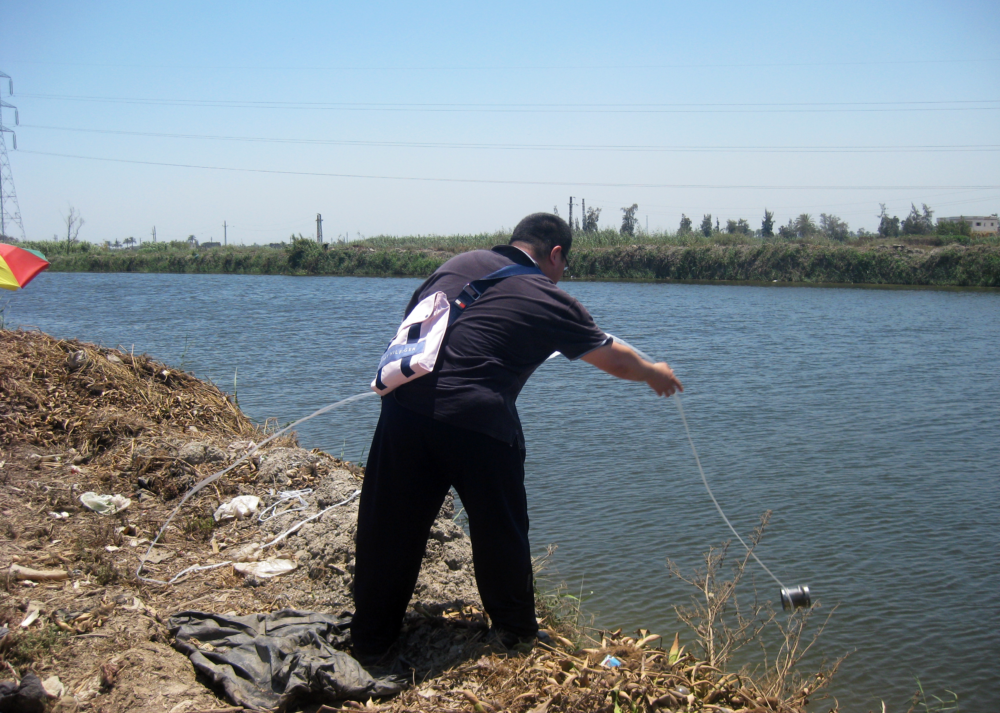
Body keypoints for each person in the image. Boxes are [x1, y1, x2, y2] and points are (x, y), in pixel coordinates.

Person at [351, 212, 682, 659]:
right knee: (499, 530)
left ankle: (371, 641)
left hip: (403, 409)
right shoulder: (547, 296)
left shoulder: (457, 265)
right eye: (565, 265)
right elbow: (616, 359)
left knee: (388, 528)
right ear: (556, 254)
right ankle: (514, 633)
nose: (563, 275)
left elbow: (414, 325)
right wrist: (653, 373)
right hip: (478, 421)